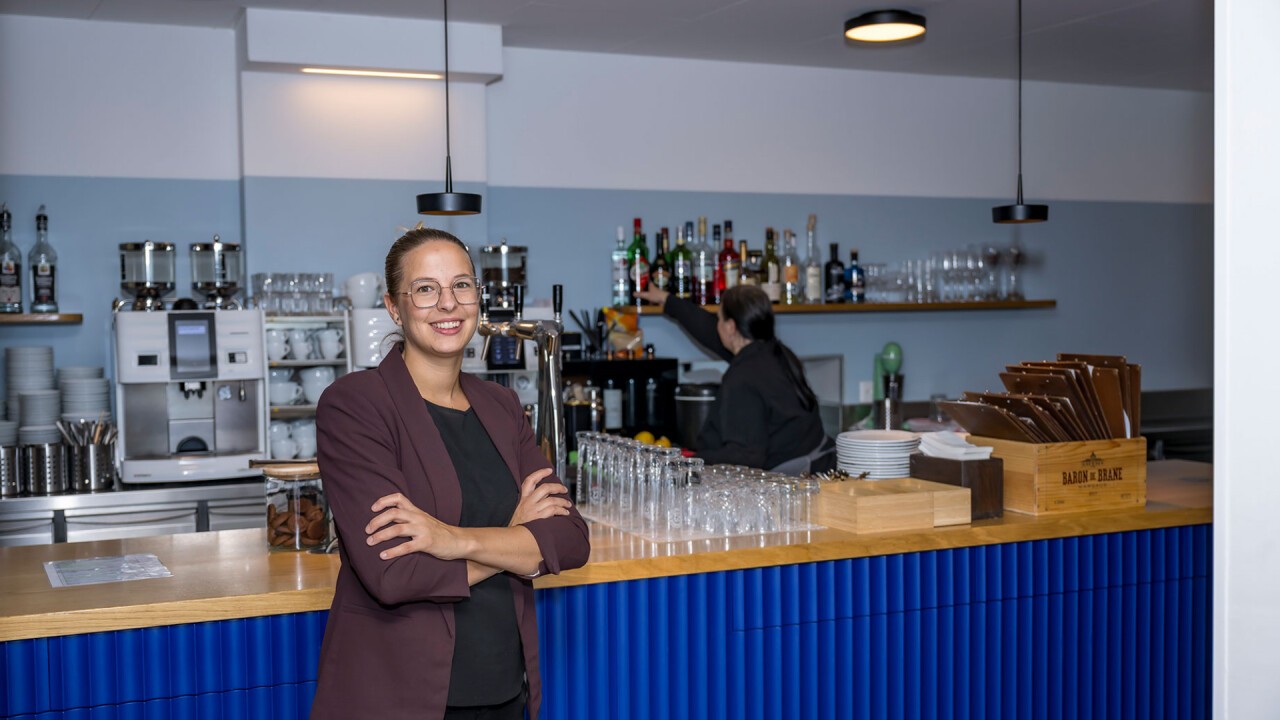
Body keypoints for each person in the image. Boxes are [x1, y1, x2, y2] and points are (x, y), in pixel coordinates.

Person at [312, 227, 591, 720]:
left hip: (506, 689)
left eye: (462, 285)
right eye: (426, 289)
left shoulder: (501, 406)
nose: (449, 304)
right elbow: (393, 574)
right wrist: (514, 539)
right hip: (400, 697)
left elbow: (569, 540)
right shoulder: (357, 404)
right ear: (395, 307)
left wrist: (451, 539)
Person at [636, 285, 835, 474]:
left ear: (731, 327)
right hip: (818, 468)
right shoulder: (774, 352)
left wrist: (690, 460)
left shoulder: (743, 378)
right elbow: (707, 329)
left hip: (790, 482)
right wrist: (667, 300)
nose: (716, 324)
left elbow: (746, 456)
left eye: (719, 318)